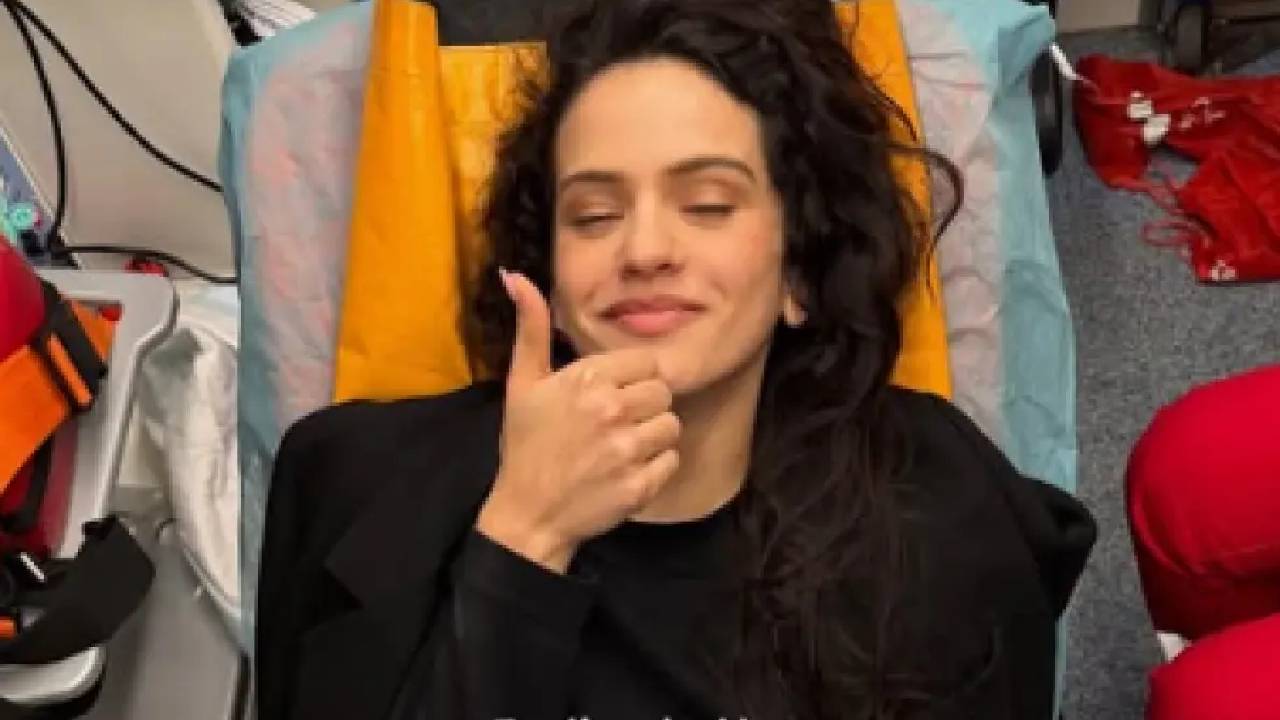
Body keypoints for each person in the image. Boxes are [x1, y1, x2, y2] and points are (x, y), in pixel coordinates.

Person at [253, 0, 1097, 718]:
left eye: (707, 203)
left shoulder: (941, 523)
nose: (644, 249)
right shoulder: (359, 488)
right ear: (548, 275)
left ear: (797, 275)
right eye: (593, 216)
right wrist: (523, 539)